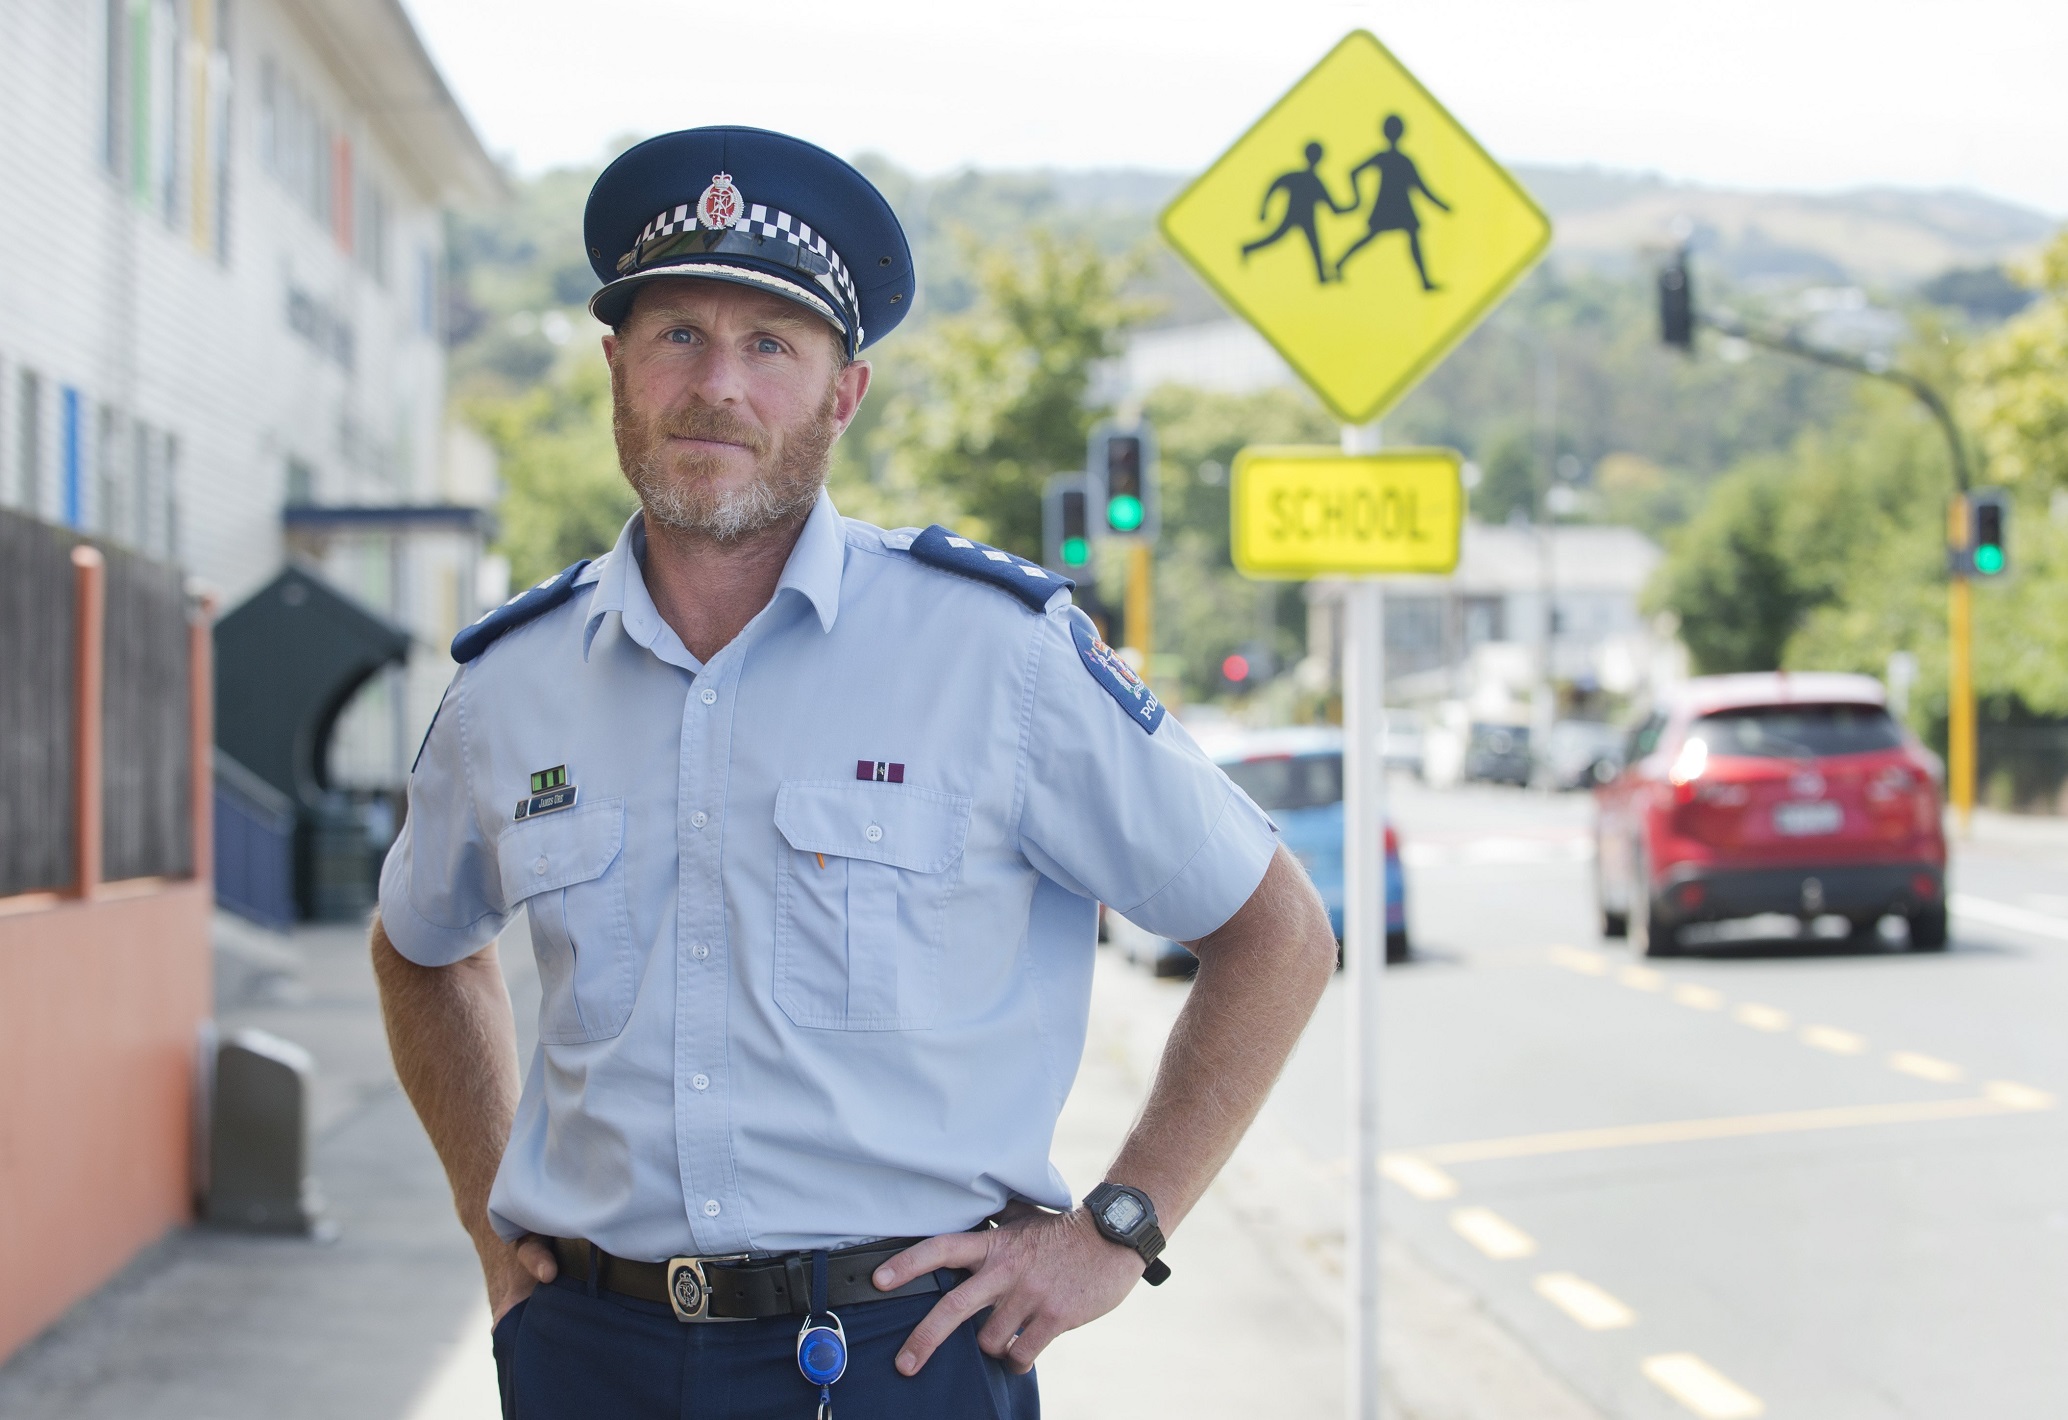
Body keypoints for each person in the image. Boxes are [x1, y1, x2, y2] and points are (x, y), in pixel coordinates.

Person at [371, 125, 1338, 1420]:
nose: (719, 386)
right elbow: (417, 946)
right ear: (616, 369)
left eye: (770, 346)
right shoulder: (511, 688)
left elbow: (1274, 930)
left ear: (845, 394)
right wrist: (494, 1230)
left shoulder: (994, 656)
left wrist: (1115, 1227)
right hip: (589, 1357)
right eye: (678, 337)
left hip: (903, 1362)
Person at [1334, 113, 1451, 291]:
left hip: (1401, 205)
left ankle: (1425, 281)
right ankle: (1339, 263)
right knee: (1372, 236)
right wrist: (1358, 199)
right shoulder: (1386, 157)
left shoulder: (1403, 160)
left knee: (1411, 237)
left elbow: (1419, 186)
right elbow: (1354, 171)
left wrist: (1440, 205)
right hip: (1387, 205)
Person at [1241, 140, 1353, 283]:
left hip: (1307, 219)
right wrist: (1263, 209)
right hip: (1294, 216)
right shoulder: (1301, 178)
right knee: (1277, 238)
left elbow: (1334, 208)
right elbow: (1275, 185)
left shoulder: (1315, 181)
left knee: (1315, 246)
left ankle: (1321, 277)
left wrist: (1352, 207)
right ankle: (1247, 248)